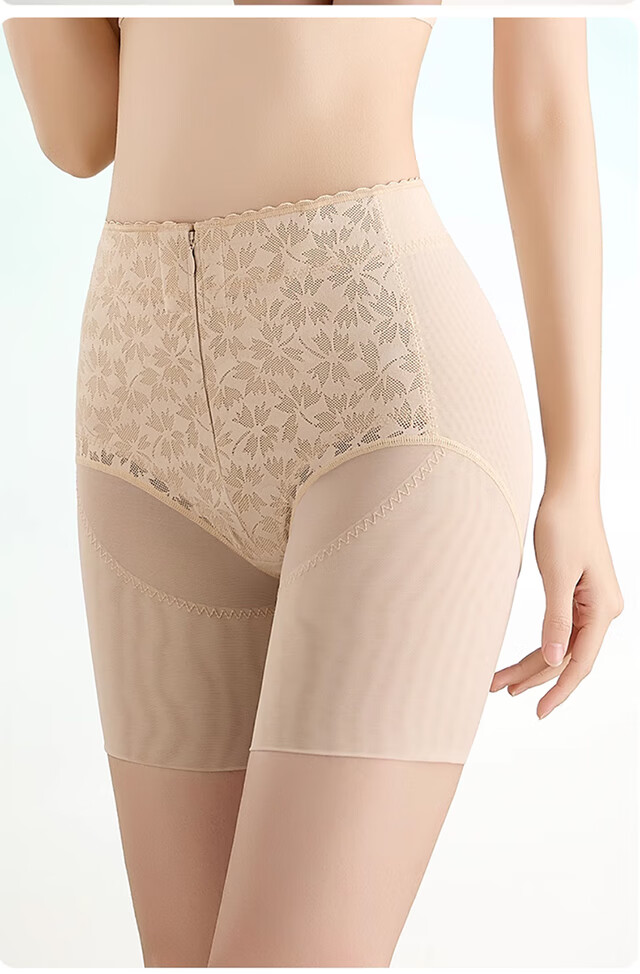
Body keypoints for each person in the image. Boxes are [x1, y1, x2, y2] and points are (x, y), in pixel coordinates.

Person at [4, 16, 623, 968]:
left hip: (383, 387)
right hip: (139, 403)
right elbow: (80, 132)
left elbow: (543, 106)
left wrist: (576, 475)